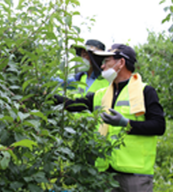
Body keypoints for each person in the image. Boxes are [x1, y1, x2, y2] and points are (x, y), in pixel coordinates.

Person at [53, 44, 165, 192]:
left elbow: (159, 126)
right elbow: (73, 104)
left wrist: (127, 123)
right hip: (106, 171)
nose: (103, 66)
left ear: (121, 63)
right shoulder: (101, 94)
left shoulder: (145, 92)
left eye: (107, 61)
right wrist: (46, 96)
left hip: (135, 174)